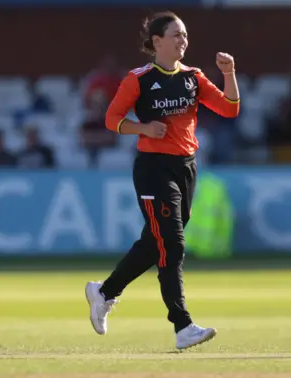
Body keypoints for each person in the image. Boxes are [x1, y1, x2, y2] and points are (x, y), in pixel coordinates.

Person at [84, 11, 240, 350]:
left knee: (155, 243)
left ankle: (104, 292)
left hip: (186, 167)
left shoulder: (194, 77)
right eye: (176, 35)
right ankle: (182, 326)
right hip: (153, 169)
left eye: (185, 35)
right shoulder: (138, 79)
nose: (183, 40)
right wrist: (143, 129)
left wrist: (229, 74)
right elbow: (111, 118)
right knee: (173, 243)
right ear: (157, 42)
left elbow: (228, 109)